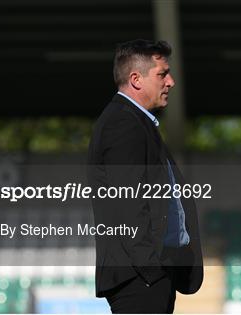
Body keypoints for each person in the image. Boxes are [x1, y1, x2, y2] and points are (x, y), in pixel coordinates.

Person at [87, 39, 203, 313]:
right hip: (140, 278)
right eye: (162, 74)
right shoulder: (123, 124)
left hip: (146, 277)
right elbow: (128, 205)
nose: (171, 82)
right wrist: (152, 270)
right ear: (136, 79)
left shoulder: (136, 122)